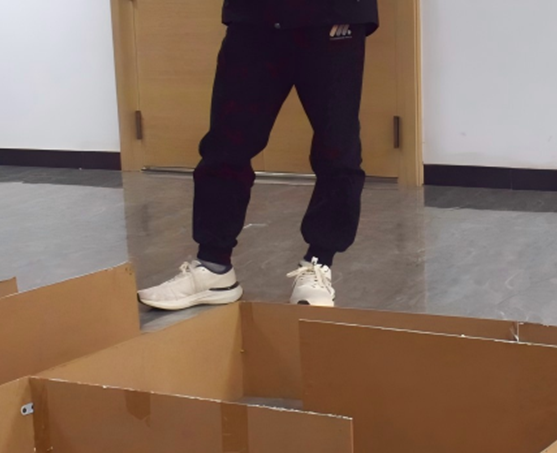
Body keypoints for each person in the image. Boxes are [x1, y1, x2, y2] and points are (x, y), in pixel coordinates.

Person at [137, 0, 380, 311]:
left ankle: (319, 262)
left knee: (337, 150)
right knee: (226, 145)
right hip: (253, 18)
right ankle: (213, 265)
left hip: (333, 16)